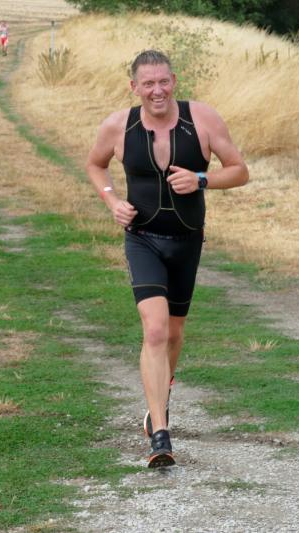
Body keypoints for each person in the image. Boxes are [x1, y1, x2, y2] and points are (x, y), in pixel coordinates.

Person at [85, 50, 249, 468]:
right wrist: (112, 202)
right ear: (134, 87)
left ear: (173, 81)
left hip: (187, 241)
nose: (156, 91)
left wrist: (201, 179)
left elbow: (239, 170)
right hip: (142, 239)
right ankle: (160, 434)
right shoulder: (119, 126)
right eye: (148, 84)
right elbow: (95, 165)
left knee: (174, 333)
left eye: (163, 82)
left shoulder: (203, 119)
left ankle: (162, 393)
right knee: (155, 330)